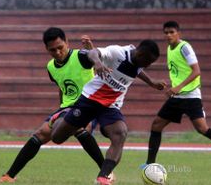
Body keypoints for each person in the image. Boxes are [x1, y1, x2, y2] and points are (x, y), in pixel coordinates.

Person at [0, 27, 110, 183]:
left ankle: (106, 173)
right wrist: (62, 107)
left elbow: (94, 56)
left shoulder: (81, 56)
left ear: (67, 43)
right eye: (52, 50)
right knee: (40, 134)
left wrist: (94, 55)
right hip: (67, 108)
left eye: (60, 48)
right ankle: (9, 176)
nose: (57, 52)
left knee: (79, 128)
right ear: (46, 49)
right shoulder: (50, 67)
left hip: (90, 105)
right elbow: (62, 87)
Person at [50, 39, 166, 185]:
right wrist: (98, 63)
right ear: (140, 54)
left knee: (120, 133)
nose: (148, 65)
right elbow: (93, 52)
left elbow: (137, 70)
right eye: (148, 61)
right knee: (57, 138)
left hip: (110, 106)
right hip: (90, 100)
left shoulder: (137, 60)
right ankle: (62, 115)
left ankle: (103, 176)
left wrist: (151, 82)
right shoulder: (117, 52)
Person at [143, 21, 211, 169]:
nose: (168, 35)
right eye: (166, 32)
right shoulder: (170, 48)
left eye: (171, 32)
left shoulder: (185, 48)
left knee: (202, 129)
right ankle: (149, 164)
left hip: (190, 96)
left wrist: (178, 87)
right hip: (177, 96)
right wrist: (172, 87)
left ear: (179, 33)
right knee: (157, 125)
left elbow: (196, 71)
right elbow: (179, 72)